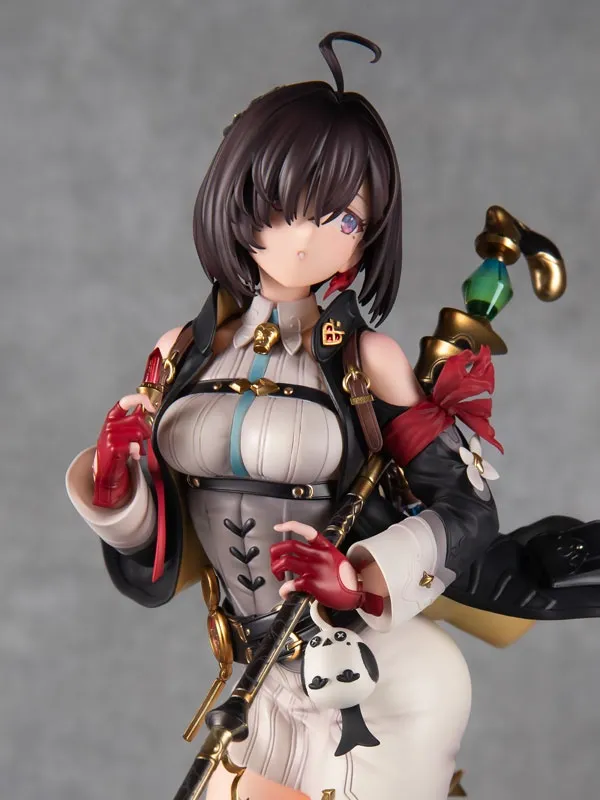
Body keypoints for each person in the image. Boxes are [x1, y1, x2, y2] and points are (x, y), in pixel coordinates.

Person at [66, 32, 511, 800]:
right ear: (240, 199)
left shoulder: (367, 361)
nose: (308, 240)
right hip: (262, 674)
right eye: (286, 208)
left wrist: (358, 576)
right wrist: (115, 486)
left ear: (364, 241)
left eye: (344, 220)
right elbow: (159, 545)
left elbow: (468, 510)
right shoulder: (182, 355)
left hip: (378, 675)